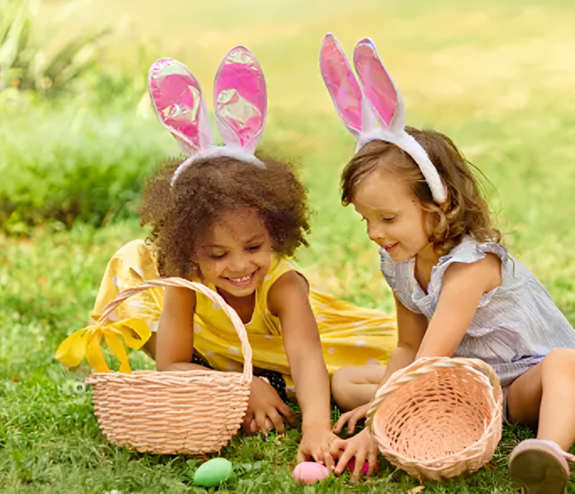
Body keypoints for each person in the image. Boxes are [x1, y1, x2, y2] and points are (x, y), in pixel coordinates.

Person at [55, 46, 396, 467]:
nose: (238, 266)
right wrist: (244, 385)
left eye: (253, 248)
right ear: (189, 250)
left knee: (364, 376)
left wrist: (315, 428)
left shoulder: (284, 286)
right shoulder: (186, 282)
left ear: (275, 232)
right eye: (217, 254)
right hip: (252, 366)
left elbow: (308, 359)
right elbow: (172, 365)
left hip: (334, 346)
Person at [318, 34, 575, 492]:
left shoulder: (470, 266)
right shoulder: (399, 263)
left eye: (388, 218)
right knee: (347, 381)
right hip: (463, 382)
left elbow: (430, 357)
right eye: (365, 220)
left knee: (566, 364)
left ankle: (546, 452)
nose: (375, 233)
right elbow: (409, 350)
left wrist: (377, 428)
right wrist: (379, 409)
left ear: (437, 204)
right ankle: (457, 412)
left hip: (522, 382)